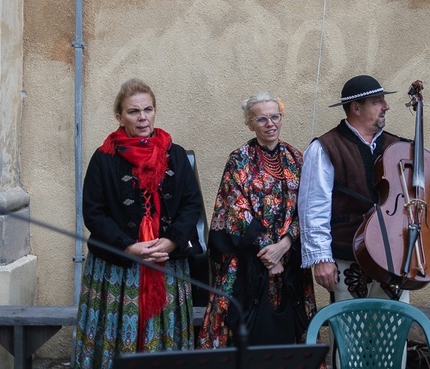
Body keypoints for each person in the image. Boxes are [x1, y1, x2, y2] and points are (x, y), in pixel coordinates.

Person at [74, 78, 204, 368]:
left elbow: (191, 204)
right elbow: (94, 213)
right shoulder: (104, 158)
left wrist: (170, 241)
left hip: (166, 259)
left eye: (148, 109)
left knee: (163, 332)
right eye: (134, 111)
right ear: (119, 117)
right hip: (118, 266)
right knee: (120, 335)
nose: (143, 117)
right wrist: (128, 246)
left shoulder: (176, 154)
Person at [198, 93, 317, 348]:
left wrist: (284, 245)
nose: (270, 123)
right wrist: (268, 254)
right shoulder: (238, 159)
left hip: (288, 259)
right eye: (261, 119)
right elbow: (235, 209)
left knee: (290, 328)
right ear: (250, 124)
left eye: (275, 116)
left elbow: (306, 208)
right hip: (247, 259)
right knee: (239, 327)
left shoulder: (297, 158)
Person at [298, 75, 409, 302]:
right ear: (356, 108)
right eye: (377, 101)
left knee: (394, 331)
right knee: (349, 332)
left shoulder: (398, 146)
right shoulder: (325, 147)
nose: (386, 106)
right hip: (347, 256)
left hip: (394, 257)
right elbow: (313, 207)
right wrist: (321, 257)